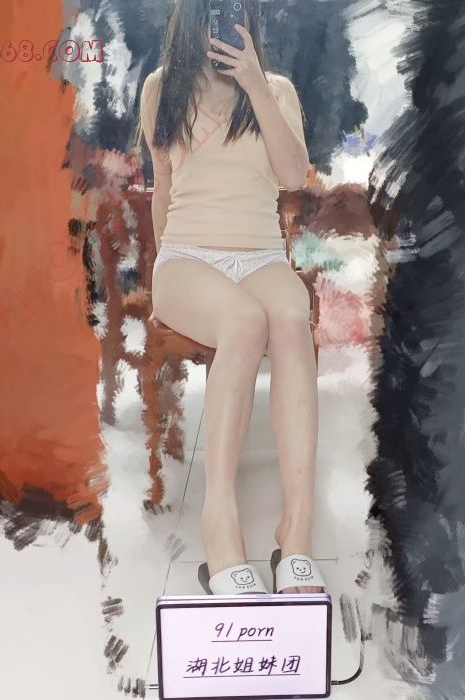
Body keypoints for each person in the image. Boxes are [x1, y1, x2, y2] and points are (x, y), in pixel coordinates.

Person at [137, 0, 326, 596]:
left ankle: (296, 536)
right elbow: (163, 188)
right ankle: (220, 530)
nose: (220, 21)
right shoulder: (161, 88)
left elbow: (293, 176)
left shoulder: (275, 89)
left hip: (261, 257)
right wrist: (167, 270)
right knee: (245, 322)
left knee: (291, 317)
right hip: (188, 256)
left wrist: (254, 85)